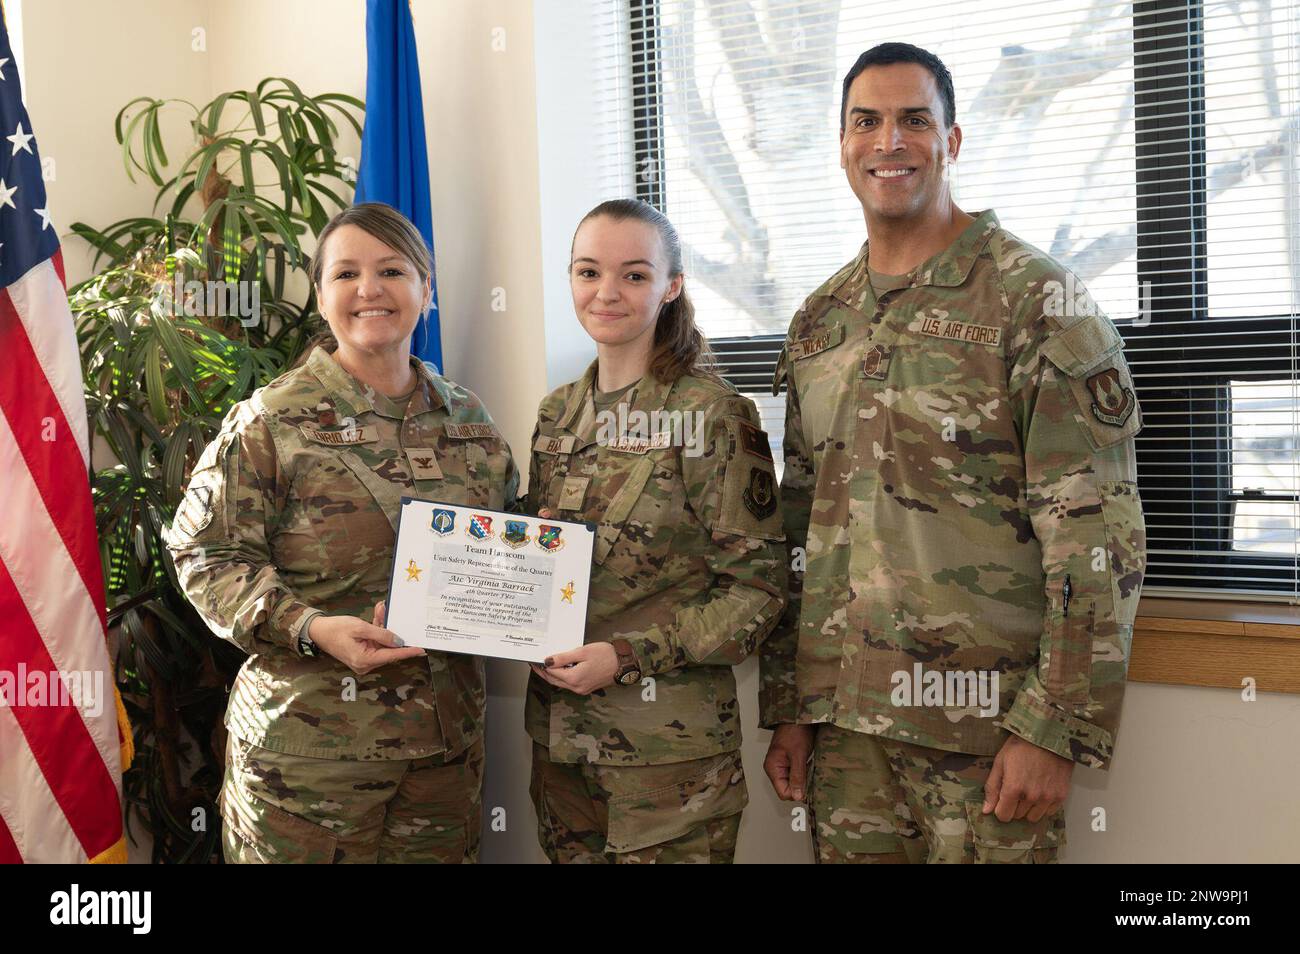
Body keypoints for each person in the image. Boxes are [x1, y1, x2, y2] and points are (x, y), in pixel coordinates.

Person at [760, 43, 1146, 864]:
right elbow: (798, 530)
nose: (887, 141)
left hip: (986, 737)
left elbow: (1096, 537)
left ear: (952, 141)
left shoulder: (1034, 301)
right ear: (842, 144)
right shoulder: (819, 321)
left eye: (913, 120)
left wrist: (1054, 727)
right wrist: (790, 701)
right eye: (866, 121)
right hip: (846, 734)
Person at [165, 202, 518, 863]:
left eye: (391, 270)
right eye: (346, 273)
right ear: (322, 295)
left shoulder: (467, 418)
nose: (369, 290)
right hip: (309, 766)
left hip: (444, 757)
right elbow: (205, 555)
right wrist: (308, 625)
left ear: (426, 289)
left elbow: (504, 544)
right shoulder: (272, 421)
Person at [523, 199, 787, 863]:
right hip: (560, 746)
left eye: (634, 275)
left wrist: (629, 655)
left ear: (672, 286)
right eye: (588, 272)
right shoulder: (559, 414)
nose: (606, 291)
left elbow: (758, 593)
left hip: (668, 762)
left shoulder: (712, 416)